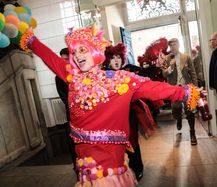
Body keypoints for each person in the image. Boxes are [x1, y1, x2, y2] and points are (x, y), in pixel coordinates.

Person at [19, 26, 202, 187]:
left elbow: (153, 89)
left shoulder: (119, 80)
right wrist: (32, 41)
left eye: (83, 50)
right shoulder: (73, 77)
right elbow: (50, 58)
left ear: (95, 51)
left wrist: (185, 93)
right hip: (83, 155)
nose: (78, 56)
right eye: (74, 52)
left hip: (108, 155)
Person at [103, 43, 144, 181]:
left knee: (132, 143)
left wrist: (158, 65)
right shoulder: (103, 74)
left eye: (118, 57)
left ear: (123, 58)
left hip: (129, 115)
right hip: (112, 118)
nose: (116, 60)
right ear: (108, 59)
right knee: (115, 147)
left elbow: (147, 73)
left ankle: (137, 168)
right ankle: (117, 173)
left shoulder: (129, 70)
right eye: (113, 57)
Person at [161, 38, 198, 145]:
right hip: (174, 89)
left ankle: (192, 133)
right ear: (169, 47)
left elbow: (193, 73)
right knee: (175, 109)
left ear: (178, 45)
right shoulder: (167, 59)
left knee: (190, 111)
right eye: (171, 45)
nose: (173, 46)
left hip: (187, 87)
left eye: (175, 44)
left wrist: (195, 87)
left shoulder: (186, 57)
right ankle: (179, 118)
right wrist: (171, 67)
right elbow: (164, 74)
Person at [54, 48, 78, 179]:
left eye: (67, 59)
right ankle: (77, 168)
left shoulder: (79, 73)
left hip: (88, 115)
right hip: (73, 115)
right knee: (74, 143)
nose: (65, 62)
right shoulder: (58, 77)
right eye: (63, 59)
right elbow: (64, 98)